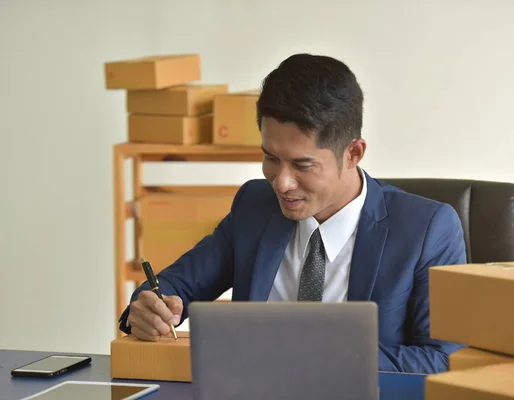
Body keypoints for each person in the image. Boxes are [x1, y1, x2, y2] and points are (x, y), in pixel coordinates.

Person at [118, 53, 466, 373]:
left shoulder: (427, 229)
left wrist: (318, 354)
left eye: (302, 164)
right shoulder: (255, 204)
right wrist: (149, 306)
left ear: (353, 153)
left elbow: (442, 360)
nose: (281, 183)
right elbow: (174, 285)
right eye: (271, 158)